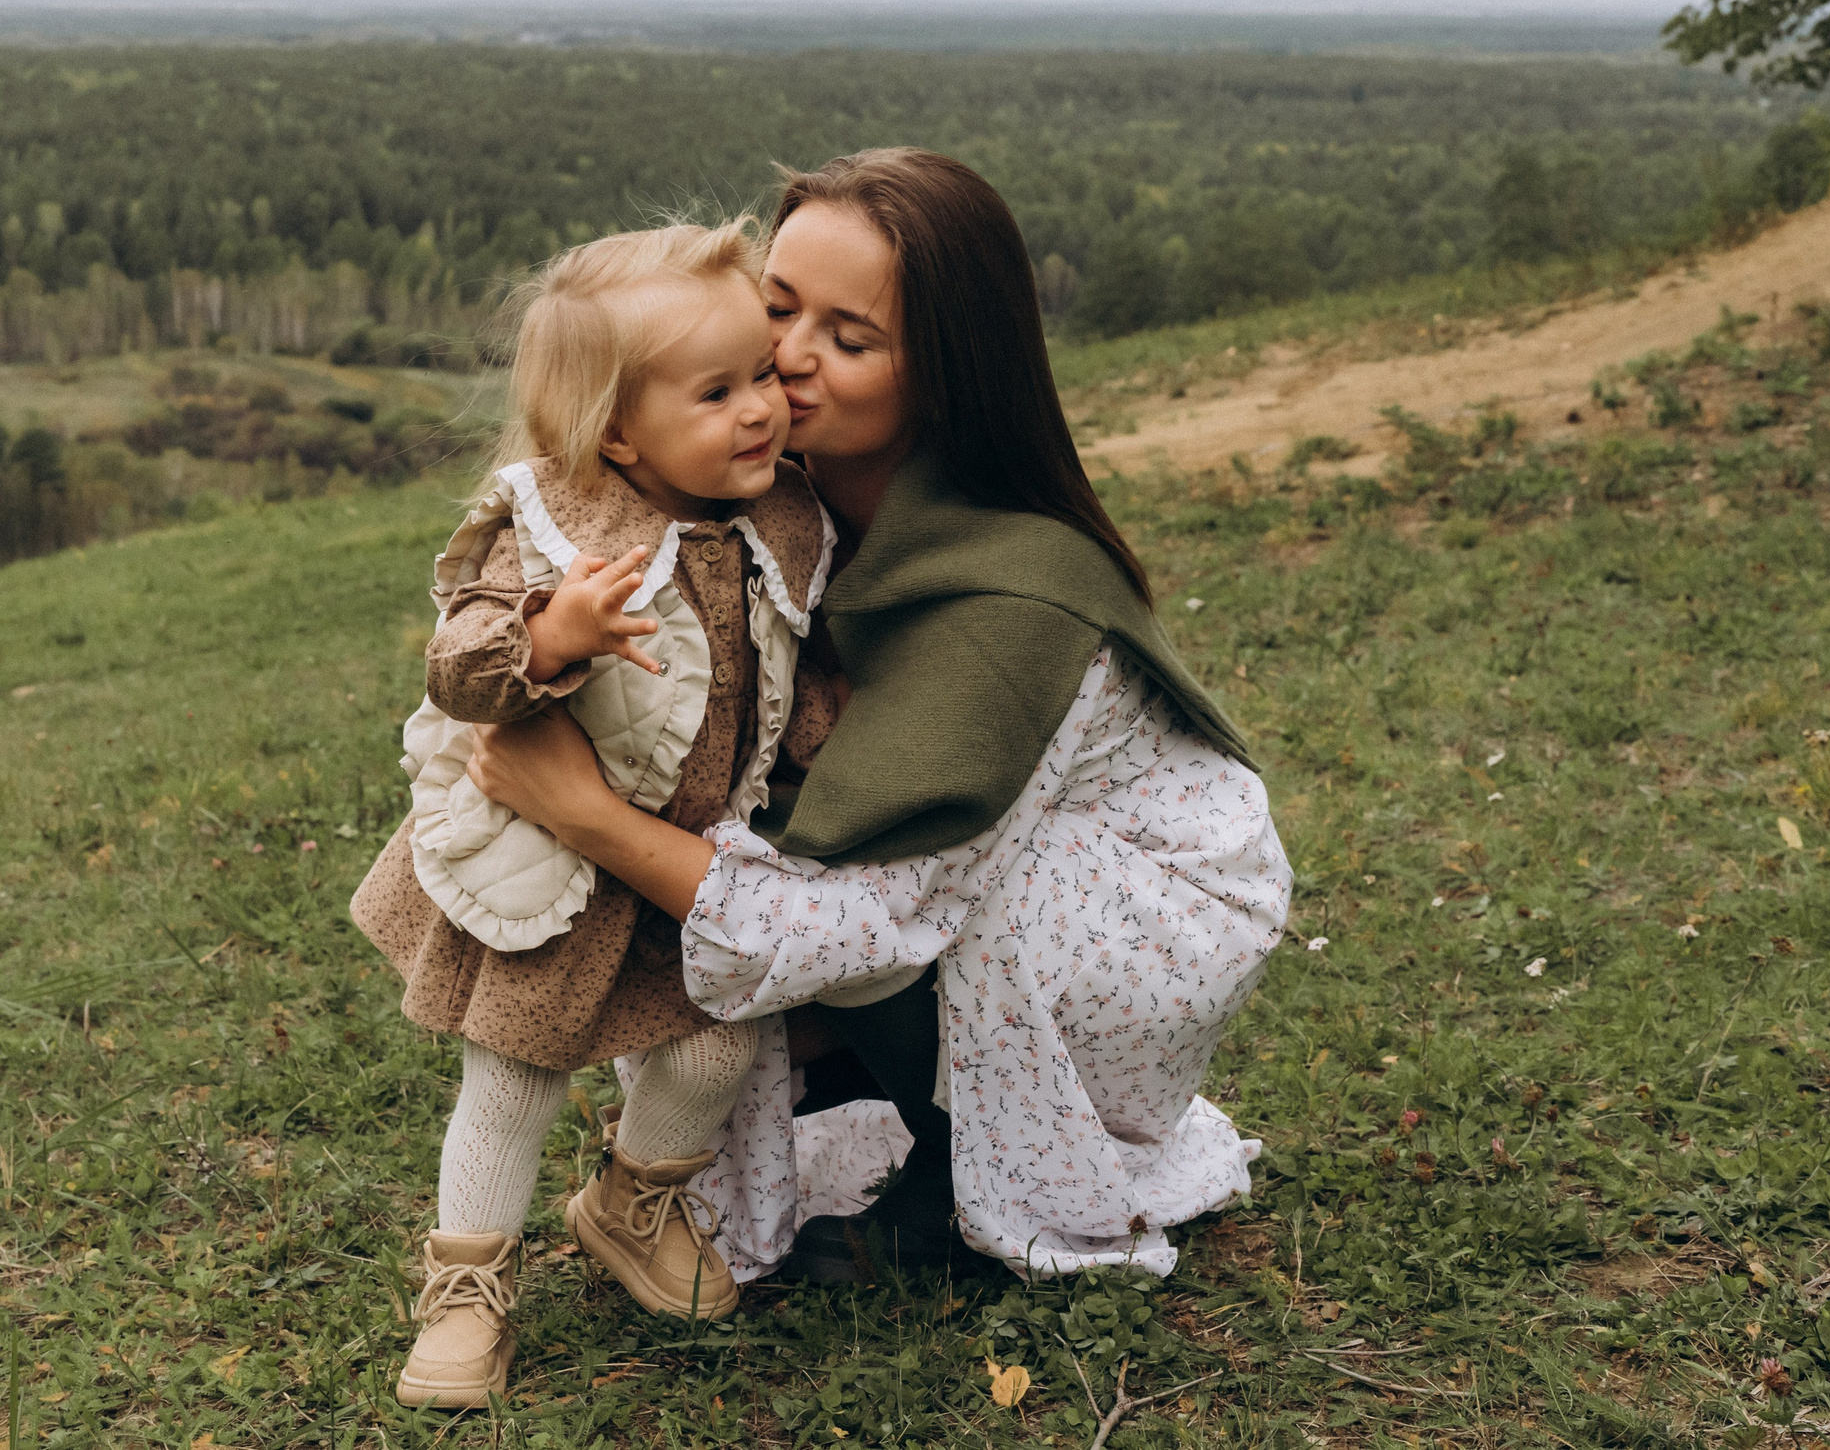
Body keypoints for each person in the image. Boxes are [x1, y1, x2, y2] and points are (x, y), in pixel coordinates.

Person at [466, 148, 1293, 1284]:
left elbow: (867, 915)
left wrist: (585, 817)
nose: (787, 365)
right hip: (950, 887)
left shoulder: (1008, 603)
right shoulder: (770, 512)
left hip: (1131, 922)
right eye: (774, 311)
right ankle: (842, 1091)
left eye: (850, 342)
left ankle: (958, 1173)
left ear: (947, 373)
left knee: (839, 905)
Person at [348, 221, 837, 1408]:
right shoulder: (559, 527)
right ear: (617, 431)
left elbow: (791, 671)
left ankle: (633, 1197)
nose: (760, 409)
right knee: (515, 1080)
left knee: (717, 1046)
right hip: (552, 871)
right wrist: (549, 637)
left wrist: (831, 748)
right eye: (715, 391)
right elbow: (458, 668)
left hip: (686, 864)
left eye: (761, 377)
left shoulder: (779, 522)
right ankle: (465, 1287)